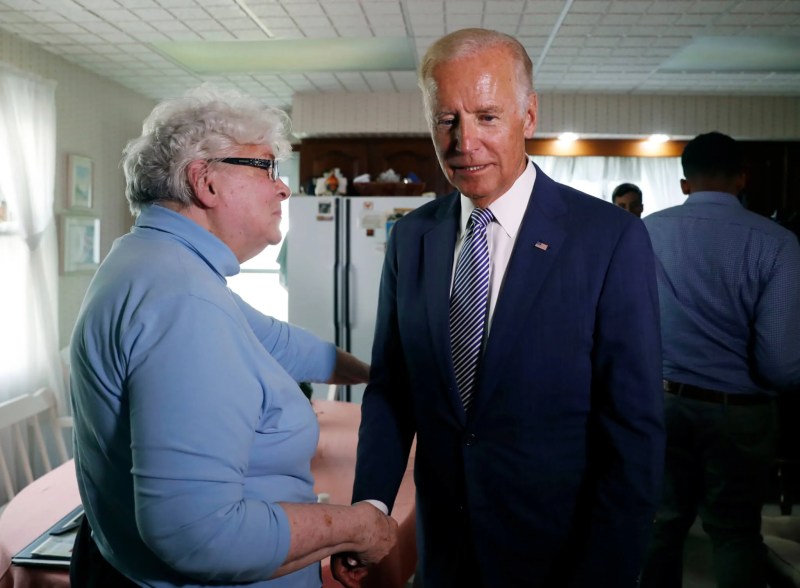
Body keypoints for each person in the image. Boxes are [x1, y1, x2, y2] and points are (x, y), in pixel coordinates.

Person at [332, 28, 665, 588]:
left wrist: (608, 569)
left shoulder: (608, 238)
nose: (465, 142)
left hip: (562, 557)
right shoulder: (411, 238)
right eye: (447, 120)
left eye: (487, 117)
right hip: (445, 553)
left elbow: (632, 427)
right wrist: (371, 508)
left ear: (528, 116)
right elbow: (393, 391)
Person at [69, 86, 397, 588]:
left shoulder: (154, 261)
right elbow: (202, 537)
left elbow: (280, 342)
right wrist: (357, 527)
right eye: (267, 168)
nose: (283, 189)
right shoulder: (184, 300)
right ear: (206, 182)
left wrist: (377, 375)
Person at [640, 131, 800, 588]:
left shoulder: (647, 231)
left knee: (661, 525)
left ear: (684, 183)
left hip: (662, 403)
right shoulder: (778, 243)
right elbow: (779, 363)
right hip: (740, 413)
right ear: (742, 178)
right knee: (735, 533)